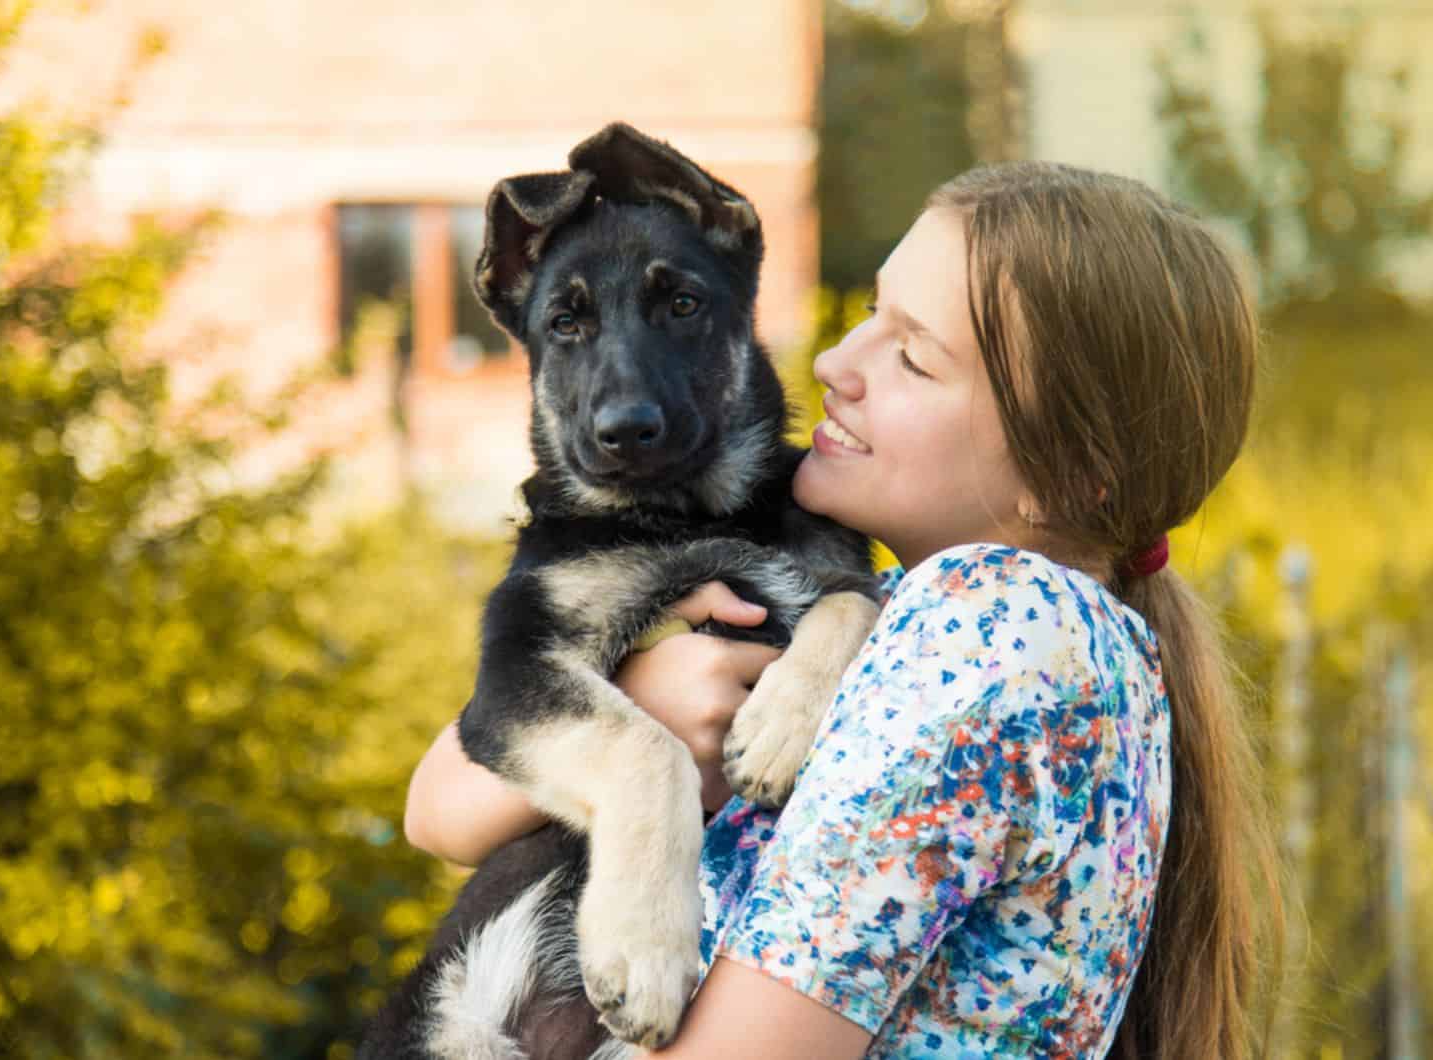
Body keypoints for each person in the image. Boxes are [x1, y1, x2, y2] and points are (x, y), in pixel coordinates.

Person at [404, 161, 1281, 1058]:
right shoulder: (966, 627)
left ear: (1072, 474)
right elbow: (440, 806)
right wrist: (653, 698)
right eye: (872, 315)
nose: (833, 364)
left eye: (912, 355)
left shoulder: (997, 627)